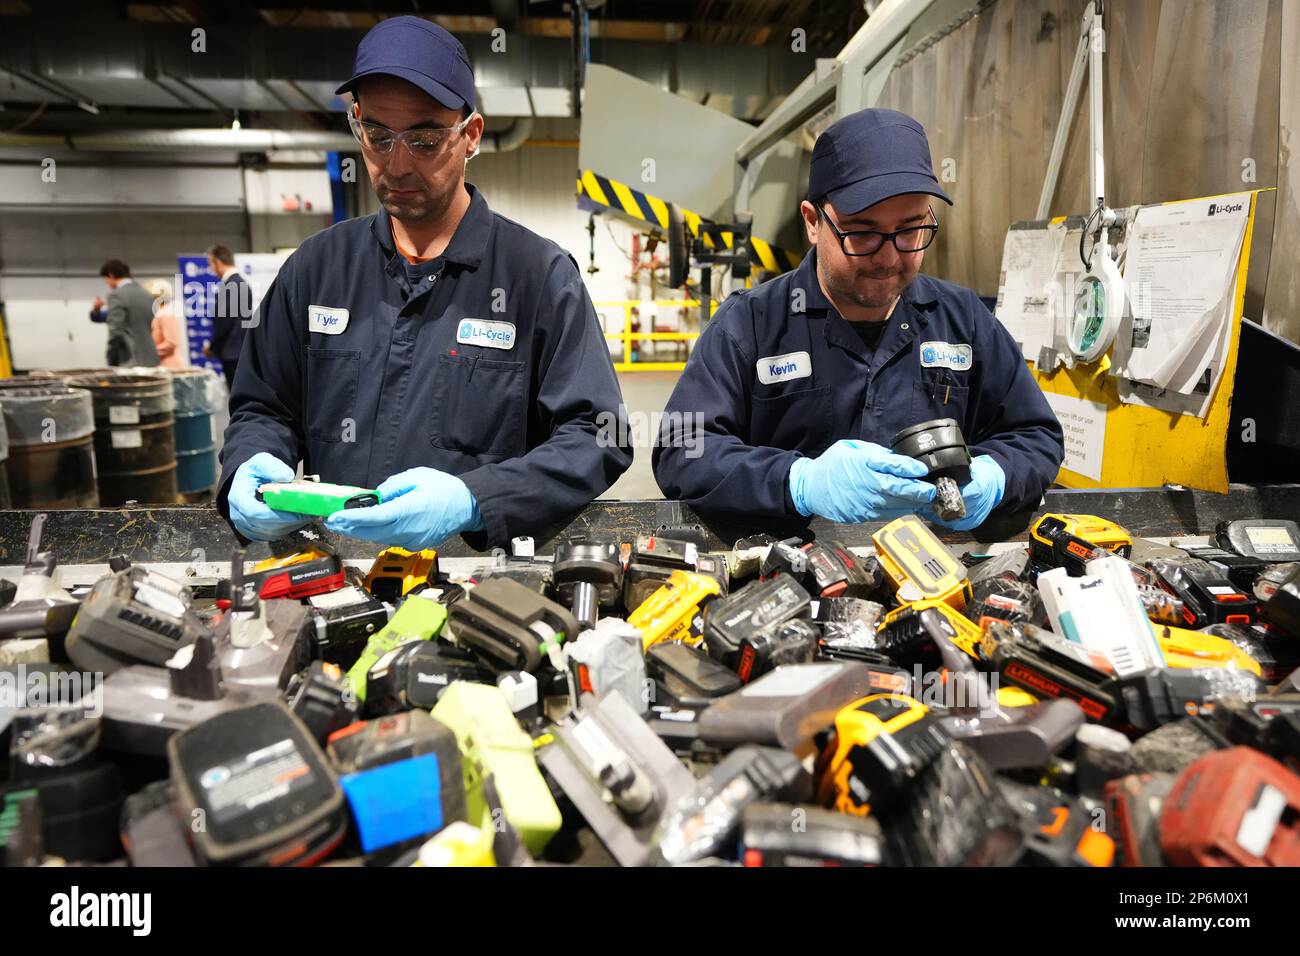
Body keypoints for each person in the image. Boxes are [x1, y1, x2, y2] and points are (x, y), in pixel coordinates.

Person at [219, 16, 631, 551]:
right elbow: (264, 406)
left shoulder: (538, 276)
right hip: (337, 573)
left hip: (478, 581)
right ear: (357, 125)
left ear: (471, 136)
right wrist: (252, 460)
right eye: (378, 136)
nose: (398, 164)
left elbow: (597, 436)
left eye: (425, 138)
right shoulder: (317, 269)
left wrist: (476, 498)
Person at [653, 108, 1064, 532]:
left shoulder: (963, 320)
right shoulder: (751, 324)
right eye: (862, 233)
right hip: (789, 573)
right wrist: (798, 481)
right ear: (814, 222)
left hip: (934, 572)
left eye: (909, 231)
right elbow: (681, 450)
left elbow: (1036, 434)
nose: (888, 258)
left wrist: (995, 477)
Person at [92, 259, 159, 368]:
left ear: (111, 275)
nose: (107, 283)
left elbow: (115, 331)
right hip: (151, 359)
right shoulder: (146, 294)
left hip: (129, 360)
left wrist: (111, 359)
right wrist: (96, 311)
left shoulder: (116, 295)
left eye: (105, 279)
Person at [202, 245, 253, 387]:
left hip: (232, 353)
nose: (211, 269)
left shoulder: (231, 286)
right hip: (241, 350)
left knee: (238, 397)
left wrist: (212, 346)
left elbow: (224, 322)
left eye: (211, 264)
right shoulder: (241, 283)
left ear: (218, 263)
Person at [148, 280, 187, 370]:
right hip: (163, 365)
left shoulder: (165, 314)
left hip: (169, 366)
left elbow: (171, 343)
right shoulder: (160, 313)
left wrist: (149, 352)